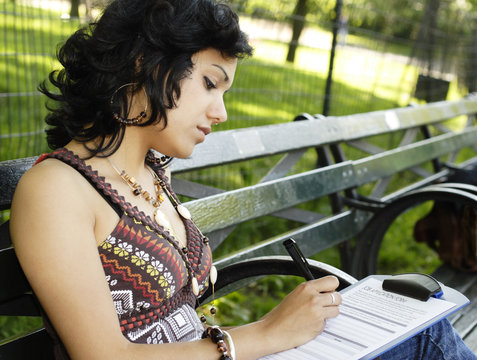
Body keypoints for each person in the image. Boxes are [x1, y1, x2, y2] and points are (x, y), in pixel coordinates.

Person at [9, 0, 476, 359]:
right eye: (210, 84)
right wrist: (264, 335)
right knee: (428, 342)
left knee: (419, 328)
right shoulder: (56, 190)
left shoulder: (149, 170)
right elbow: (103, 355)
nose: (221, 112)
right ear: (146, 65)